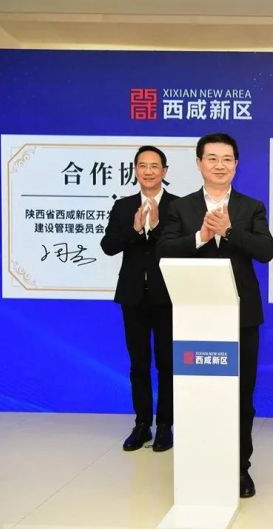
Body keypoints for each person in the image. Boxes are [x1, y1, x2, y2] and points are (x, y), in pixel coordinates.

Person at [157, 132, 273, 499]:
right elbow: (163, 250)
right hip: (194, 317)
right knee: (196, 394)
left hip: (241, 316)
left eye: (227, 159)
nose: (219, 165)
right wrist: (201, 237)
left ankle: (240, 467)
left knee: (240, 396)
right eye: (212, 158)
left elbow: (266, 250)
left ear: (236, 164)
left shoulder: (251, 207)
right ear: (198, 163)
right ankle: (199, 465)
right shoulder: (181, 208)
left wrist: (229, 231)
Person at [100, 145, 179, 453]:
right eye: (142, 165)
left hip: (167, 296)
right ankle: (142, 424)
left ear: (164, 171)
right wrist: (134, 230)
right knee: (139, 363)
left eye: (154, 166)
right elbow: (108, 246)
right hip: (133, 296)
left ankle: (165, 425)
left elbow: (182, 247)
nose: (148, 171)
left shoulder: (178, 206)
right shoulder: (123, 206)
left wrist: (157, 229)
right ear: (135, 170)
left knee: (167, 364)